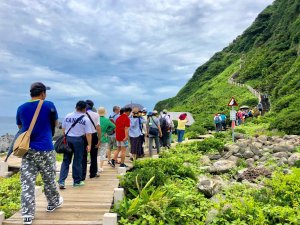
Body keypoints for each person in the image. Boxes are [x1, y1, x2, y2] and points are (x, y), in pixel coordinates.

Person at [17, 82, 62, 225]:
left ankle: (27, 214)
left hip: (28, 149)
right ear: (43, 93)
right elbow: (55, 123)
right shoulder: (49, 105)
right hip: (46, 149)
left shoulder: (21, 108)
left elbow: (20, 127)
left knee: (27, 181)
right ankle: (52, 203)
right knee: (48, 178)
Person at [58, 101, 93, 189]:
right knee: (77, 161)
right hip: (79, 140)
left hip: (68, 139)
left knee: (66, 160)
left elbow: (63, 128)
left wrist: (66, 137)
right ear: (84, 109)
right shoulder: (85, 119)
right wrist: (89, 144)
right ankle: (76, 181)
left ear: (76, 107)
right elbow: (88, 134)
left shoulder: (68, 116)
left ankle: (61, 181)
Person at [82, 100, 101, 180]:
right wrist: (99, 139)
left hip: (83, 136)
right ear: (92, 106)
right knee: (93, 155)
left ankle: (82, 175)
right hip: (93, 135)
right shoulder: (96, 115)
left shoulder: (82, 114)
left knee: (83, 155)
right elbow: (98, 127)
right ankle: (93, 173)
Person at [98, 107, 115, 172]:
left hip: (95, 138)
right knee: (102, 153)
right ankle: (100, 167)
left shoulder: (95, 119)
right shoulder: (107, 120)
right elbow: (113, 126)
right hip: (104, 138)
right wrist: (107, 131)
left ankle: (94, 167)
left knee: (94, 153)